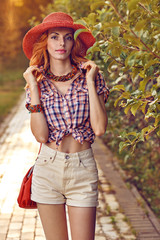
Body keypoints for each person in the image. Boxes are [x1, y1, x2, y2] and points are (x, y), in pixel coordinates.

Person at [23, 12, 109, 240]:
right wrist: (33, 87)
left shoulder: (91, 75)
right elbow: (41, 135)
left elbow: (99, 128)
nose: (61, 43)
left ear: (74, 42)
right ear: (46, 42)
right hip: (48, 169)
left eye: (68, 37)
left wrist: (90, 82)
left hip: (82, 169)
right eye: (54, 37)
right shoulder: (37, 82)